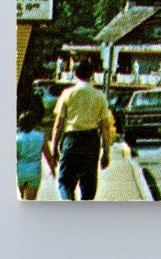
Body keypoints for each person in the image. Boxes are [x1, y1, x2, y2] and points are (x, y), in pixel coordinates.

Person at [49, 56, 114, 201]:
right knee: (88, 186)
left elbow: (59, 124)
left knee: (65, 182)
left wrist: (54, 149)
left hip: (71, 139)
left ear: (75, 73)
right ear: (91, 75)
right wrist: (106, 152)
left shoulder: (67, 94)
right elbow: (105, 126)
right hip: (91, 140)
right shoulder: (99, 96)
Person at [16, 103, 53, 199]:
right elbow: (48, 155)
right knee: (30, 200)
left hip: (20, 169)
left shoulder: (17, 138)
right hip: (34, 170)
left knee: (21, 198)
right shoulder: (41, 136)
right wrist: (52, 169)